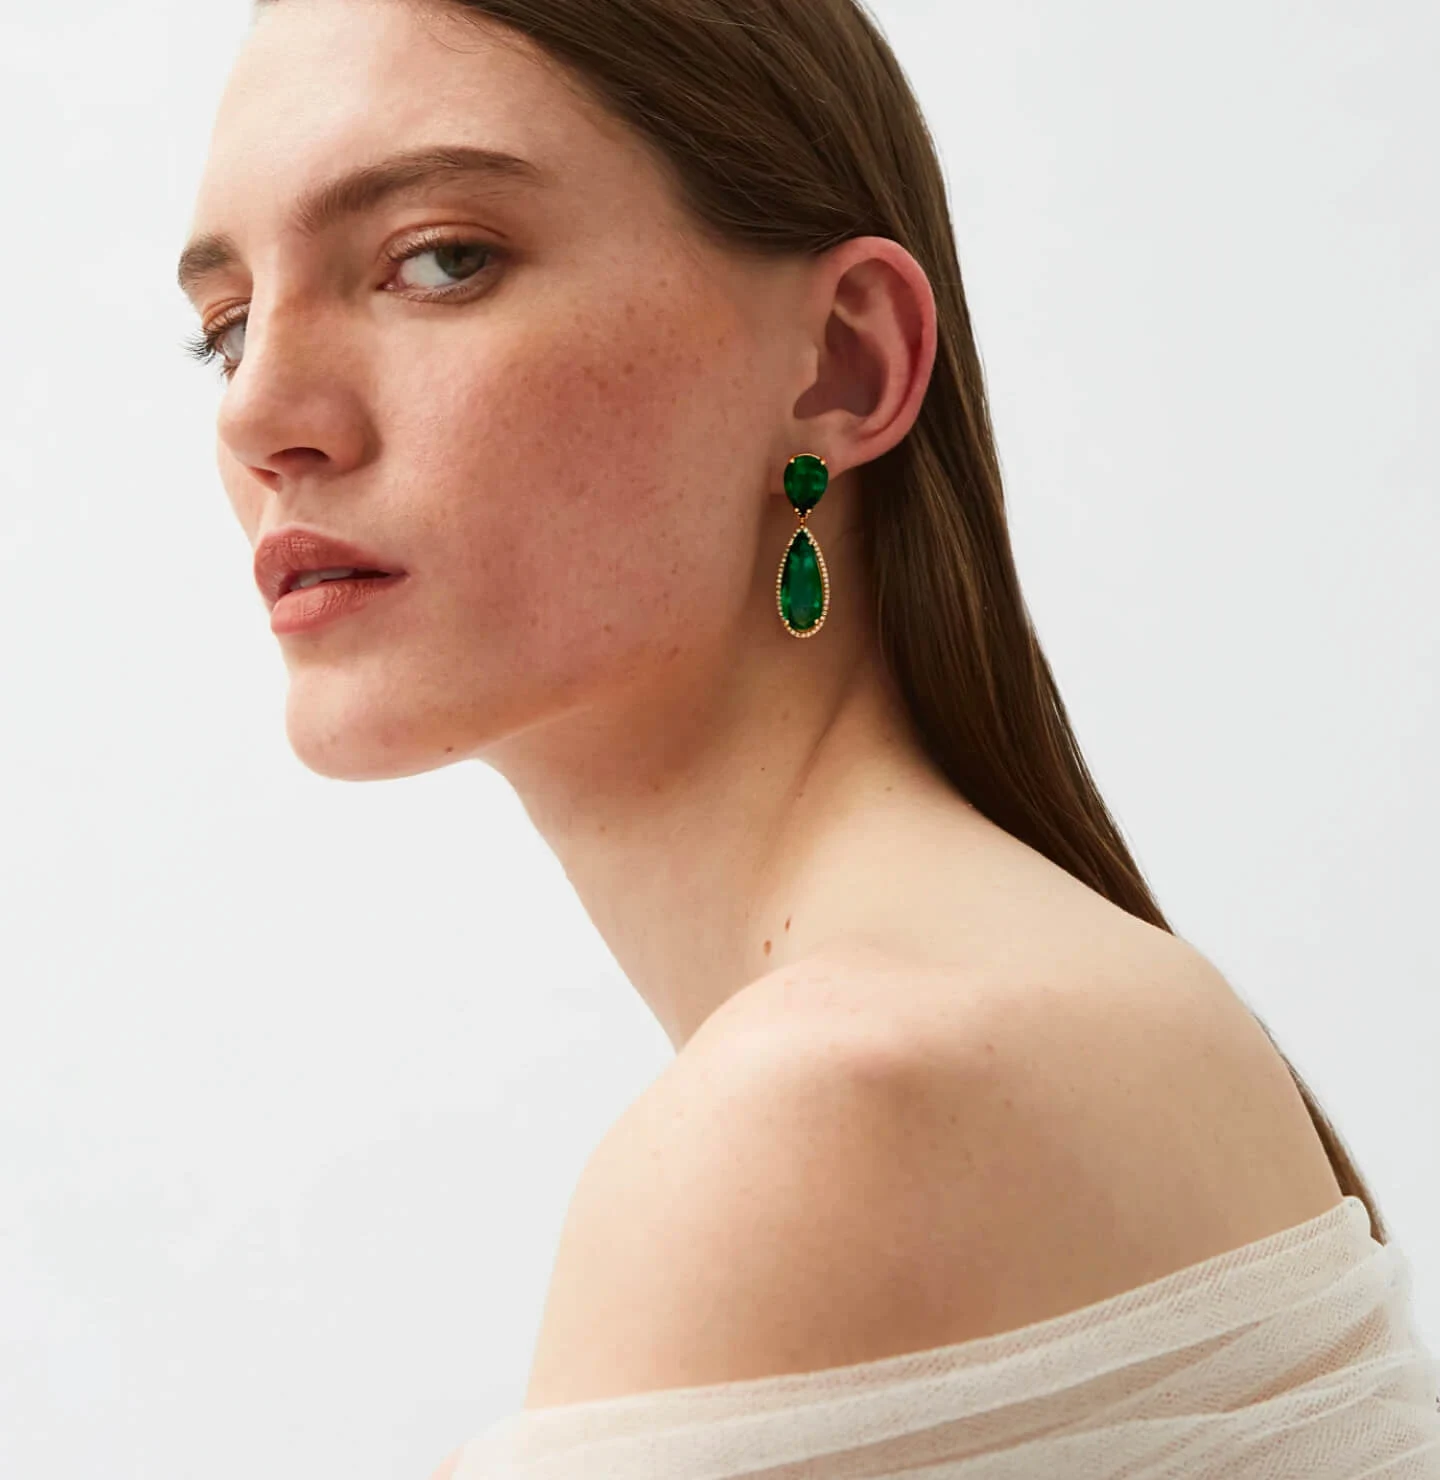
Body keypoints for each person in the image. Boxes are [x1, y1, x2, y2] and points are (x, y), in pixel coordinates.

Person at [177, 1, 1440, 1474]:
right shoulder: (1025, 1013)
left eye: (442, 259)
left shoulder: (842, 1101)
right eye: (226, 326)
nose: (264, 413)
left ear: (846, 364)